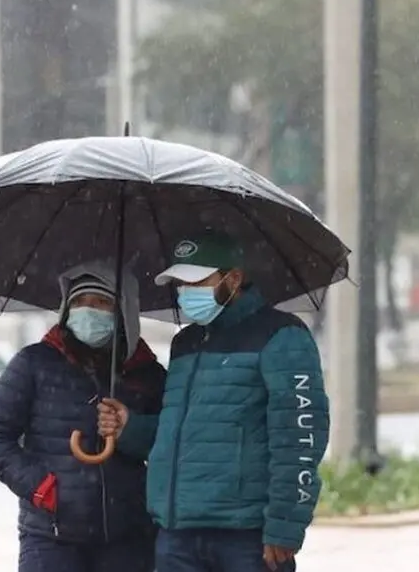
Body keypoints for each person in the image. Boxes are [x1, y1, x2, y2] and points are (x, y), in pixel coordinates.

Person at [97, 234, 330, 572]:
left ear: (233, 279)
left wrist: (285, 524)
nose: (184, 292)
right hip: (177, 536)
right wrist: (129, 427)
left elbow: (299, 441)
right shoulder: (185, 343)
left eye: (195, 282)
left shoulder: (282, 336)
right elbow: (182, 434)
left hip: (246, 539)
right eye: (180, 283)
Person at [0, 261, 165, 572]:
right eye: (79, 302)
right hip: (51, 536)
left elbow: (173, 441)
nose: (88, 311)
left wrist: (130, 429)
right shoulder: (34, 363)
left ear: (122, 313)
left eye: (101, 303)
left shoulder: (147, 374)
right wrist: (41, 486)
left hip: (129, 536)